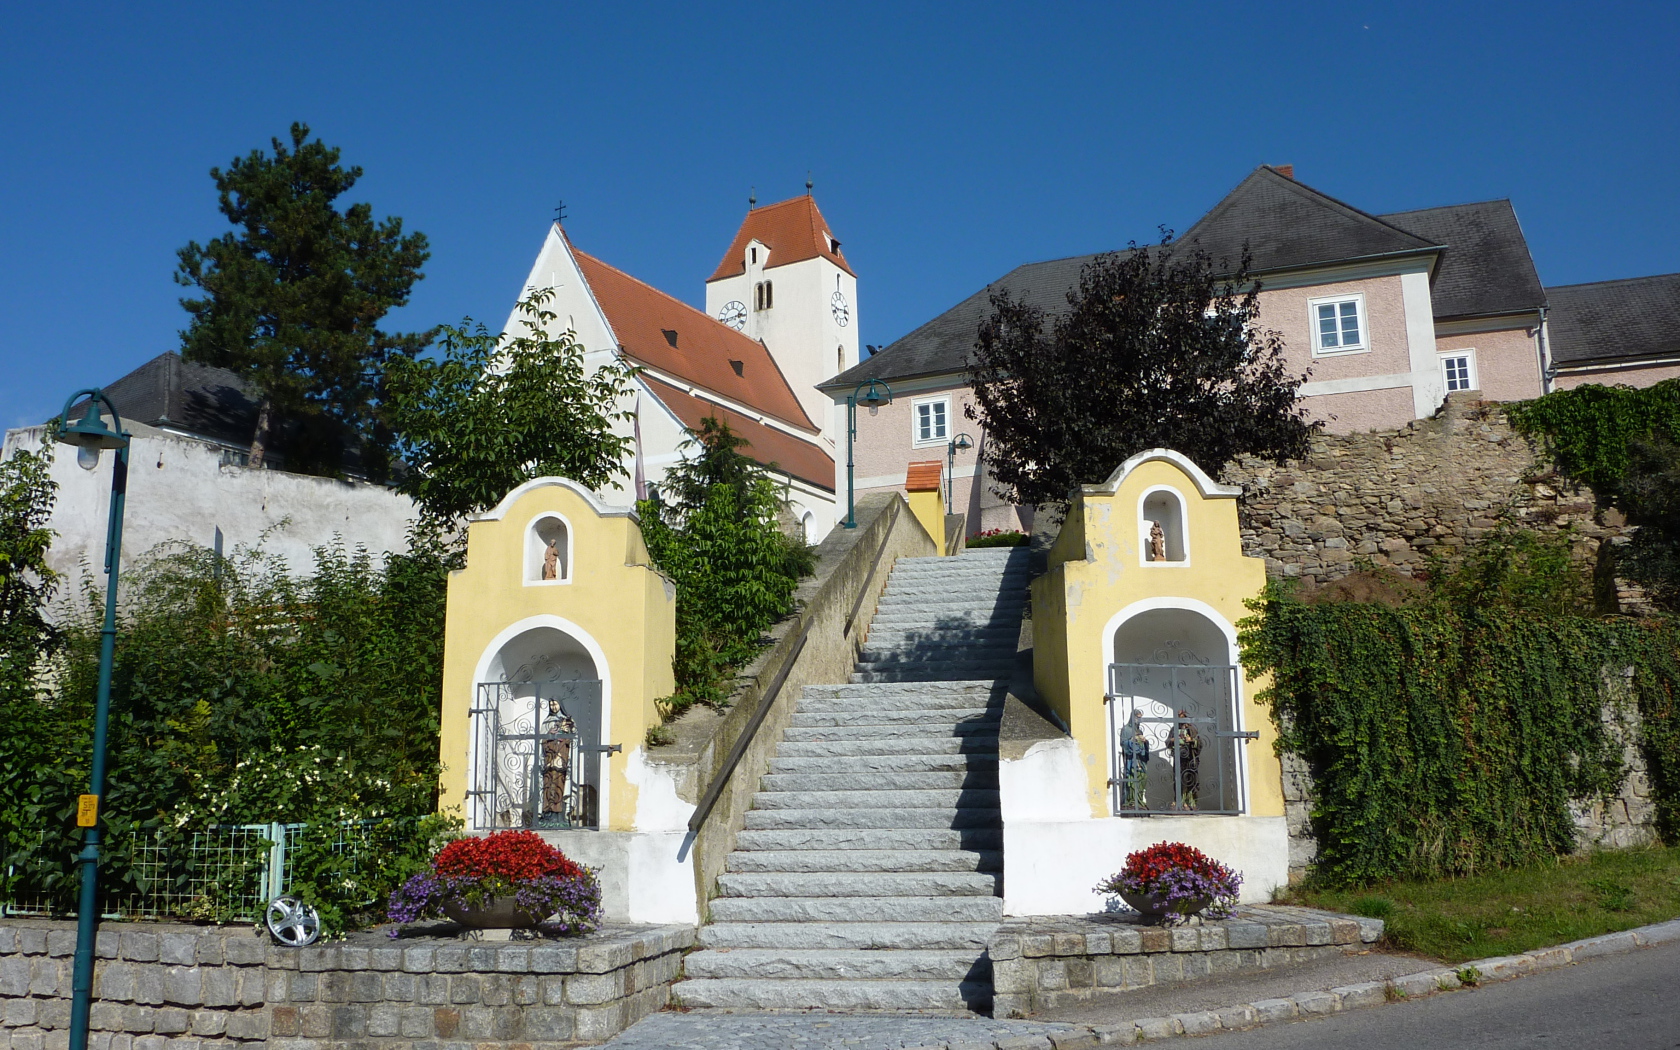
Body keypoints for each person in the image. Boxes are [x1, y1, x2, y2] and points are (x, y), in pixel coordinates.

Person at [540, 699, 574, 820]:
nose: (553, 707)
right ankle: (547, 812)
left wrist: (566, 732)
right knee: (548, 785)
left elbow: (572, 740)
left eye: (555, 704)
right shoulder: (547, 721)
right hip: (549, 758)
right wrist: (549, 733)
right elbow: (541, 739)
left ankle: (559, 813)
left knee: (559, 784)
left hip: (561, 758)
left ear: (560, 705)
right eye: (551, 705)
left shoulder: (568, 721)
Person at [1167, 709, 1203, 809]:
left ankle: (1190, 801)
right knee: (1178, 779)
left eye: (1182, 717)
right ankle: (1179, 801)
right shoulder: (1174, 729)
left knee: (1190, 779)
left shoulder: (1192, 729)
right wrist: (1172, 740)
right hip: (1179, 758)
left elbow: (1200, 743)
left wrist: (1191, 740)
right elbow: (1167, 742)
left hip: (1190, 757)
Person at [1118, 709, 1151, 809]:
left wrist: (1145, 742)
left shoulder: (1139, 731)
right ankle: (1131, 801)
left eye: (1140, 718)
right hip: (1132, 760)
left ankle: (1139, 799)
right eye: (1137, 717)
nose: (1138, 720)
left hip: (1141, 759)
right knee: (1132, 778)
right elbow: (1123, 743)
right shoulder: (1126, 729)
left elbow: (1144, 745)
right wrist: (1133, 740)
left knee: (1143, 777)